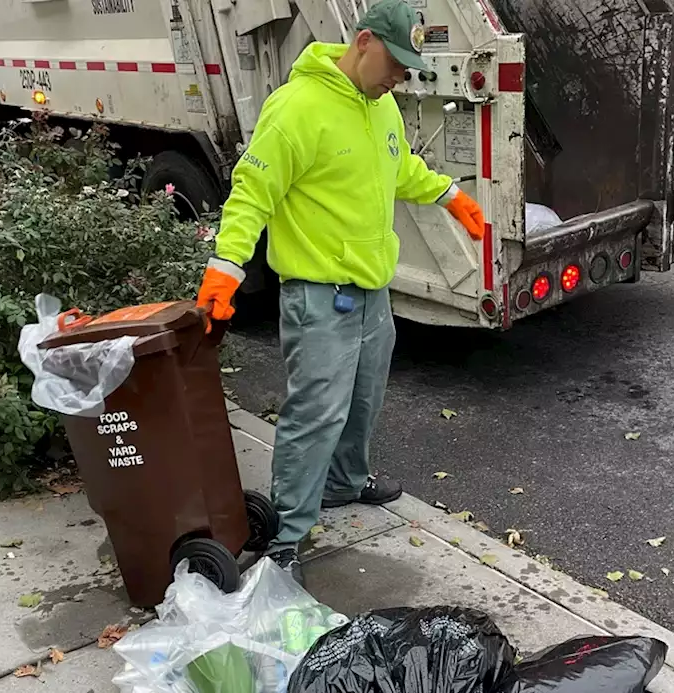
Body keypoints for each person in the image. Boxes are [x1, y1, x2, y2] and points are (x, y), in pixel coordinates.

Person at [195, 0, 484, 586]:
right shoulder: (297, 108)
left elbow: (399, 169)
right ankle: (286, 534)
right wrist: (226, 267)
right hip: (319, 296)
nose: (400, 77)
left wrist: (449, 194)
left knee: (364, 400)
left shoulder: (381, 110)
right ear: (364, 41)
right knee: (314, 415)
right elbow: (252, 192)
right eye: (396, 64)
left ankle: (346, 482)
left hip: (372, 293)